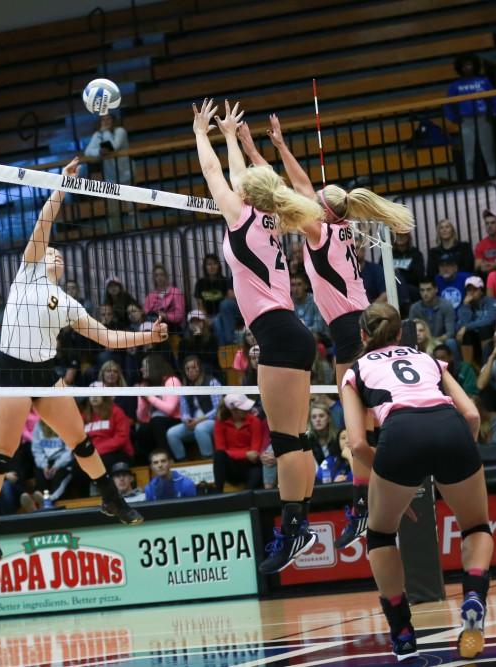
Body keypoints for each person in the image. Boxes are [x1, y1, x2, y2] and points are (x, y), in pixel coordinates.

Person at [239, 110, 413, 555]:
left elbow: (278, 193)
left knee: (359, 430)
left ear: (324, 209)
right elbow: (295, 188)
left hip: (354, 333)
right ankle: (365, 504)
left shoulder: (319, 231)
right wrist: (273, 147)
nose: (309, 197)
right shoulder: (337, 227)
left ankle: (364, 506)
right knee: (363, 428)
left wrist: (254, 153)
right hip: (352, 332)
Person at [0, 157, 167, 561]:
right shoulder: (27, 273)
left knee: (80, 441)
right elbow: (44, 224)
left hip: (45, 375)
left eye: (60, 257)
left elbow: (107, 336)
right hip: (12, 373)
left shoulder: (66, 302)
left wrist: (146, 335)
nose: (55, 256)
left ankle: (111, 499)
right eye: (51, 254)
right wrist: (62, 186)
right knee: (1, 455)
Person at [196, 101, 323, 572]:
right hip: (289, 332)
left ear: (248, 192)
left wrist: (200, 133)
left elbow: (213, 173)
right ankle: (302, 525)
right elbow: (235, 176)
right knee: (299, 438)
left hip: (280, 334)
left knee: (287, 441)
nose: (237, 184)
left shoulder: (242, 217)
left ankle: (292, 532)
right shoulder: (267, 215)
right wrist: (231, 136)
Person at [340, 302, 490, 660]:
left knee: (379, 534)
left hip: (401, 434)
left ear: (362, 335)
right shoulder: (427, 359)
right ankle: (473, 595)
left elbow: (358, 445)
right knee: (475, 526)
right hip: (450, 426)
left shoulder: (355, 370)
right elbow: (470, 413)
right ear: (399, 334)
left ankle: (403, 632)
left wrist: (391, 480)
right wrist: (457, 456)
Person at [445, 54, 496, 181]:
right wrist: (455, 119)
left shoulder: (484, 81)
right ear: (460, 68)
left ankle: (495, 179)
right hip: (466, 122)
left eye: (469, 64)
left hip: (483, 119)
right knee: (469, 155)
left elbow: (495, 98)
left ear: (474, 65)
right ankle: (470, 182)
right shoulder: (455, 86)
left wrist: (494, 112)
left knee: (488, 153)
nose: (467, 67)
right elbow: (448, 105)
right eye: (465, 65)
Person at [166, 355, 221, 461]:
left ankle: (208, 460)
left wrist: (199, 420)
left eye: (194, 367)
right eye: (187, 369)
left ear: (200, 368)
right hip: (194, 423)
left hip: (213, 421)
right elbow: (184, 411)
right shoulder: (184, 387)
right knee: (171, 433)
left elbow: (218, 409)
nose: (191, 371)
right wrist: (187, 420)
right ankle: (183, 463)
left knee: (201, 428)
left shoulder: (212, 382)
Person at [212, 394, 264, 492]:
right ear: (233, 410)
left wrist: (232, 453)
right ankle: (217, 493)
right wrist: (245, 454)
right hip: (231, 467)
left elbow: (254, 453)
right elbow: (221, 450)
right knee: (219, 456)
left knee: (257, 471)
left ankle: (247, 498)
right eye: (243, 408)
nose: (247, 409)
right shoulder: (220, 422)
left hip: (249, 466)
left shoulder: (255, 421)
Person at [194, 253, 240, 345]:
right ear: (205, 267)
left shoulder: (224, 281)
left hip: (222, 315)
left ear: (219, 266)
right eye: (209, 264)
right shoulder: (200, 283)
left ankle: (226, 348)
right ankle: (226, 348)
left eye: (215, 263)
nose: (212, 266)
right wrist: (206, 319)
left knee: (217, 321)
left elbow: (228, 301)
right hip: (207, 316)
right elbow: (200, 304)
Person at [82, 395, 135, 472]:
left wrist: (96, 450)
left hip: (118, 452)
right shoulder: (84, 416)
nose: (94, 397)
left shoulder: (116, 412)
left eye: (98, 394)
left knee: (101, 463)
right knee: (77, 467)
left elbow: (121, 437)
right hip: (93, 453)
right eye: (91, 394)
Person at [29, 420, 74, 506]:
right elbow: (36, 449)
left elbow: (70, 450)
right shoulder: (38, 425)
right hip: (46, 462)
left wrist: (57, 465)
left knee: (60, 477)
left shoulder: (66, 423)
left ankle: (48, 500)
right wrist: (44, 466)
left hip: (63, 462)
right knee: (38, 472)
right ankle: (41, 500)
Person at [456, 276, 496, 363]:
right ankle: (468, 368)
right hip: (473, 337)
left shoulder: (491, 302)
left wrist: (466, 327)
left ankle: (486, 364)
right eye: (469, 290)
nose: (471, 293)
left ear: (481, 290)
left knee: (484, 329)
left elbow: (489, 320)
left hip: (489, 335)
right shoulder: (464, 306)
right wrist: (466, 305)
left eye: (474, 289)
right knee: (465, 335)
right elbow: (462, 324)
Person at [83, 113, 131, 184]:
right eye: (103, 120)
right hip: (110, 176)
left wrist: (105, 132)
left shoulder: (120, 131)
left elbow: (113, 147)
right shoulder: (98, 134)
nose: (106, 122)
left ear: (113, 121)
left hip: (125, 173)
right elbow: (87, 152)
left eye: (108, 119)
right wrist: (98, 151)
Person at [410, 279, 456, 346]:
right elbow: (411, 332)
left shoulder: (446, 305)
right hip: (422, 342)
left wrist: (434, 342)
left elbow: (450, 332)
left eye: (428, 289)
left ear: (436, 289)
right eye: (422, 290)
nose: (425, 293)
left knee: (451, 342)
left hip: (441, 342)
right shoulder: (415, 308)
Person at [177, 311, 220, 379]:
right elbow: (182, 361)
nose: (195, 324)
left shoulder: (212, 339)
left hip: (208, 371)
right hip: (189, 371)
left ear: (203, 323)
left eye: (198, 321)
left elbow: (209, 359)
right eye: (192, 322)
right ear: (189, 325)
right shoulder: (183, 342)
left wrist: (198, 338)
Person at [144, 264, 186, 332]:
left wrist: (164, 315)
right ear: (154, 278)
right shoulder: (150, 296)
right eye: (156, 275)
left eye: (162, 274)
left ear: (166, 276)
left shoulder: (175, 292)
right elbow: (146, 314)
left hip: (172, 326)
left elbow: (179, 316)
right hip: (153, 325)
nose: (159, 277)